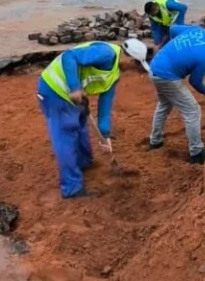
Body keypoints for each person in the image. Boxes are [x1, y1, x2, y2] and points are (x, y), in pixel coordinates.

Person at [37, 38, 150, 198]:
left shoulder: (115, 74)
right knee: (66, 132)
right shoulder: (106, 53)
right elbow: (69, 56)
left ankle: (84, 162)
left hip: (75, 95)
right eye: (136, 64)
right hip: (54, 89)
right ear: (129, 57)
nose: (135, 70)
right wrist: (75, 87)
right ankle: (72, 188)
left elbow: (105, 105)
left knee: (82, 122)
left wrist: (105, 135)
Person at [146, 24, 205, 164]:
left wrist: (177, 51)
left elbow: (173, 29)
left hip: (156, 65)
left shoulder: (197, 31)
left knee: (164, 104)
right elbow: (195, 81)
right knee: (193, 111)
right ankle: (196, 152)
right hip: (167, 76)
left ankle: (155, 140)